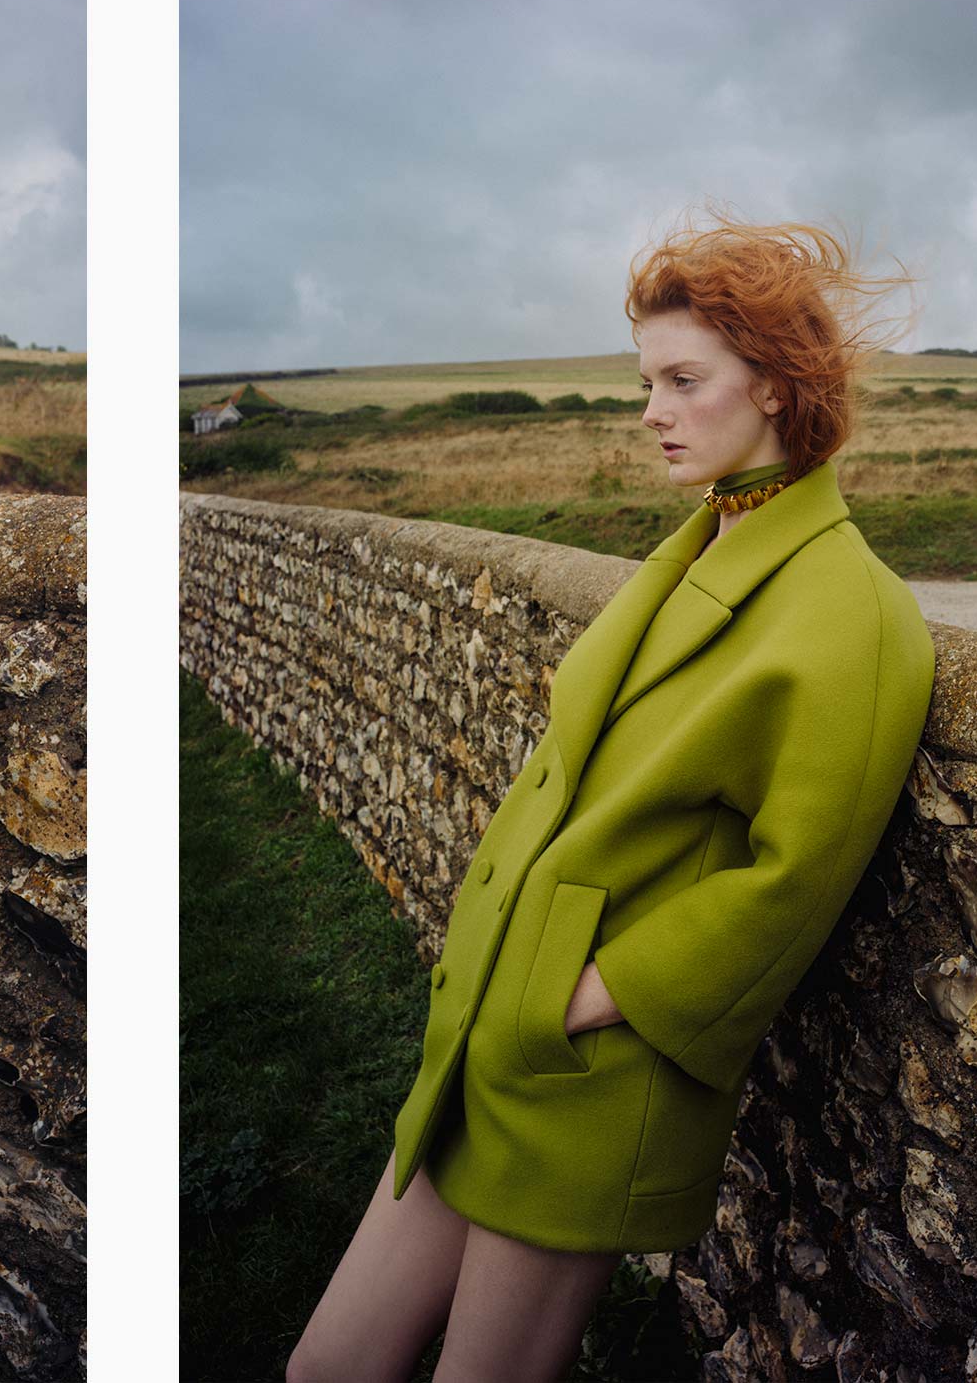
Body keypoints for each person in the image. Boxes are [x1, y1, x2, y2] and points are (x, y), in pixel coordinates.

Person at [288, 209, 936, 1383]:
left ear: (779, 387)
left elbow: (795, 877)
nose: (650, 411)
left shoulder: (852, 608)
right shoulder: (699, 543)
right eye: (647, 380)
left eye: (683, 380)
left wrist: (586, 995)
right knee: (325, 1365)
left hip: (586, 1069)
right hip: (486, 1038)